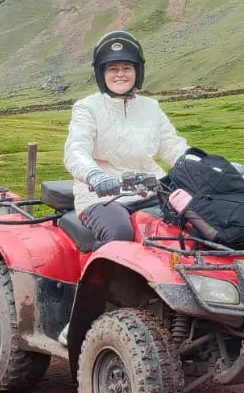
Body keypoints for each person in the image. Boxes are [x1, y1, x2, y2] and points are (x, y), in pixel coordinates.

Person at [63, 30, 189, 247]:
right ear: (101, 74)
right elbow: (76, 150)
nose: (120, 74)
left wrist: (209, 166)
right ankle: (101, 280)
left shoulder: (151, 107)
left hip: (153, 191)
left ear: (137, 72)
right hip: (101, 197)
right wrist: (94, 175)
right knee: (120, 234)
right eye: (112, 69)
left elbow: (172, 146)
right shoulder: (87, 107)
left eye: (126, 68)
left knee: (196, 224)